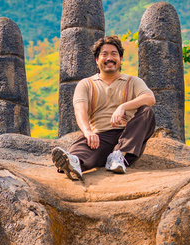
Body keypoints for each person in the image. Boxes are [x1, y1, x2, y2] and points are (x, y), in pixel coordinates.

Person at [52, 35, 156, 180]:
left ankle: (118, 156)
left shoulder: (133, 81)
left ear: (120, 59)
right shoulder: (86, 84)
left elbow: (150, 98)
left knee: (147, 112)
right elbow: (79, 109)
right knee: (79, 149)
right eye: (104, 54)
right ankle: (73, 163)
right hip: (100, 136)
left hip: (129, 136)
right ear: (97, 60)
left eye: (114, 54)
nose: (109, 58)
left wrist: (123, 107)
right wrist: (88, 132)